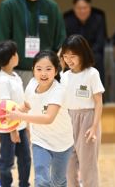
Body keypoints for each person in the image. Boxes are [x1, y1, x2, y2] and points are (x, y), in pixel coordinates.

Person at [5, 50, 73, 187]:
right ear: (33, 70)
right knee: (41, 180)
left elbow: (48, 118)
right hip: (40, 141)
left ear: (55, 71)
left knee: (58, 182)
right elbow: (27, 105)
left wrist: (20, 116)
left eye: (48, 69)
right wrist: (13, 111)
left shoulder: (58, 90)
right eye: (39, 69)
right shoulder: (31, 85)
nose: (43, 73)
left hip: (62, 143)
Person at [0, 0, 66, 87]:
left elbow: (61, 40)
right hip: (16, 70)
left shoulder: (51, 6)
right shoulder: (9, 5)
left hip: (45, 72)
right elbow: (2, 41)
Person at [59, 35, 104, 187]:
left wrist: (94, 127)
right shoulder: (64, 76)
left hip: (88, 120)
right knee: (68, 166)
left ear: (82, 54)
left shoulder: (92, 73)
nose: (69, 60)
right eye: (65, 56)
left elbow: (98, 103)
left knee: (87, 167)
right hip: (68, 120)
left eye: (73, 56)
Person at [0, 40, 31, 187]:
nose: (17, 55)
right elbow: (5, 109)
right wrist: (12, 130)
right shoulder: (3, 81)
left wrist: (25, 124)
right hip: (9, 129)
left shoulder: (14, 76)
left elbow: (16, 105)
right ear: (10, 58)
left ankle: (24, 184)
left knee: (25, 158)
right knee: (7, 161)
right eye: (15, 53)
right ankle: (5, 183)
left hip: (20, 126)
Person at [64, 0, 106, 85]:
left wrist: (85, 55)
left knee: (98, 58)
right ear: (74, 8)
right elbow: (66, 41)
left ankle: (99, 94)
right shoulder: (67, 20)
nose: (82, 11)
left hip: (92, 53)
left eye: (85, 8)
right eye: (79, 8)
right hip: (73, 54)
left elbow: (100, 41)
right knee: (65, 59)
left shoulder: (98, 19)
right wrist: (76, 55)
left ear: (90, 7)